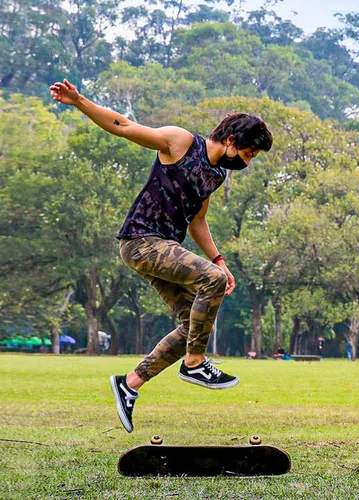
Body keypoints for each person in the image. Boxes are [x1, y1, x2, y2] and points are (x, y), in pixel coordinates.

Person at [49, 78, 273, 433]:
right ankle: (195, 363)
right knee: (209, 285)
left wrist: (219, 261)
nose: (247, 161)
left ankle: (130, 383)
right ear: (232, 140)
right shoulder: (181, 142)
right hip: (141, 240)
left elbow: (198, 220)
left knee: (192, 324)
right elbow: (123, 126)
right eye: (247, 154)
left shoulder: (214, 175)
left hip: (165, 247)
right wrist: (80, 102)